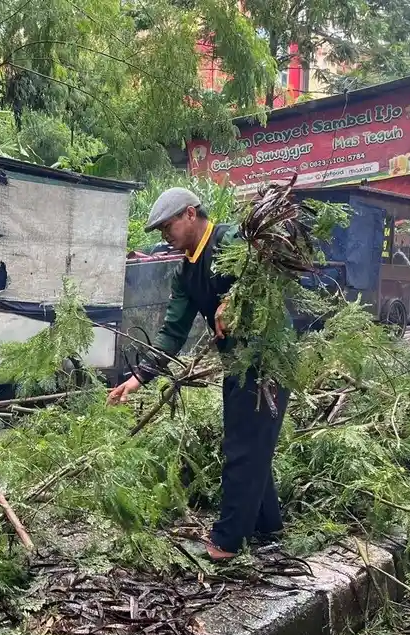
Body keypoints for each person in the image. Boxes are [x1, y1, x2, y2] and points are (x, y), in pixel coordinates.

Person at [106, 187, 290, 562]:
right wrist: (137, 379)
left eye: (167, 226)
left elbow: (268, 269)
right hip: (237, 364)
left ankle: (227, 540)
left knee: (243, 447)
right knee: (249, 443)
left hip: (267, 363)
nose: (164, 237)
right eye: (159, 232)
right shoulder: (187, 272)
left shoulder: (233, 240)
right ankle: (268, 525)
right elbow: (172, 333)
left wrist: (234, 299)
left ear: (191, 214)